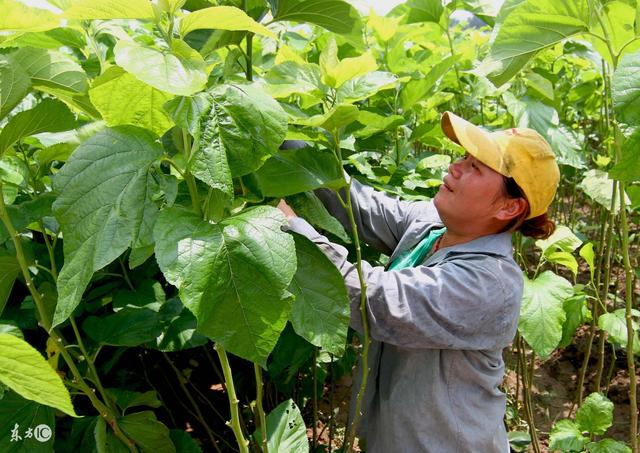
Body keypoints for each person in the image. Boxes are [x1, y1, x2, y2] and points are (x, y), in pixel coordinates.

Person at [277, 111, 560, 452]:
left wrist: (287, 226)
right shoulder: (434, 227)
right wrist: (278, 131)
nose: (456, 167)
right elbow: (357, 205)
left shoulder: (489, 283)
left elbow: (370, 299)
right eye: (464, 157)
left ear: (508, 207)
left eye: (475, 167)